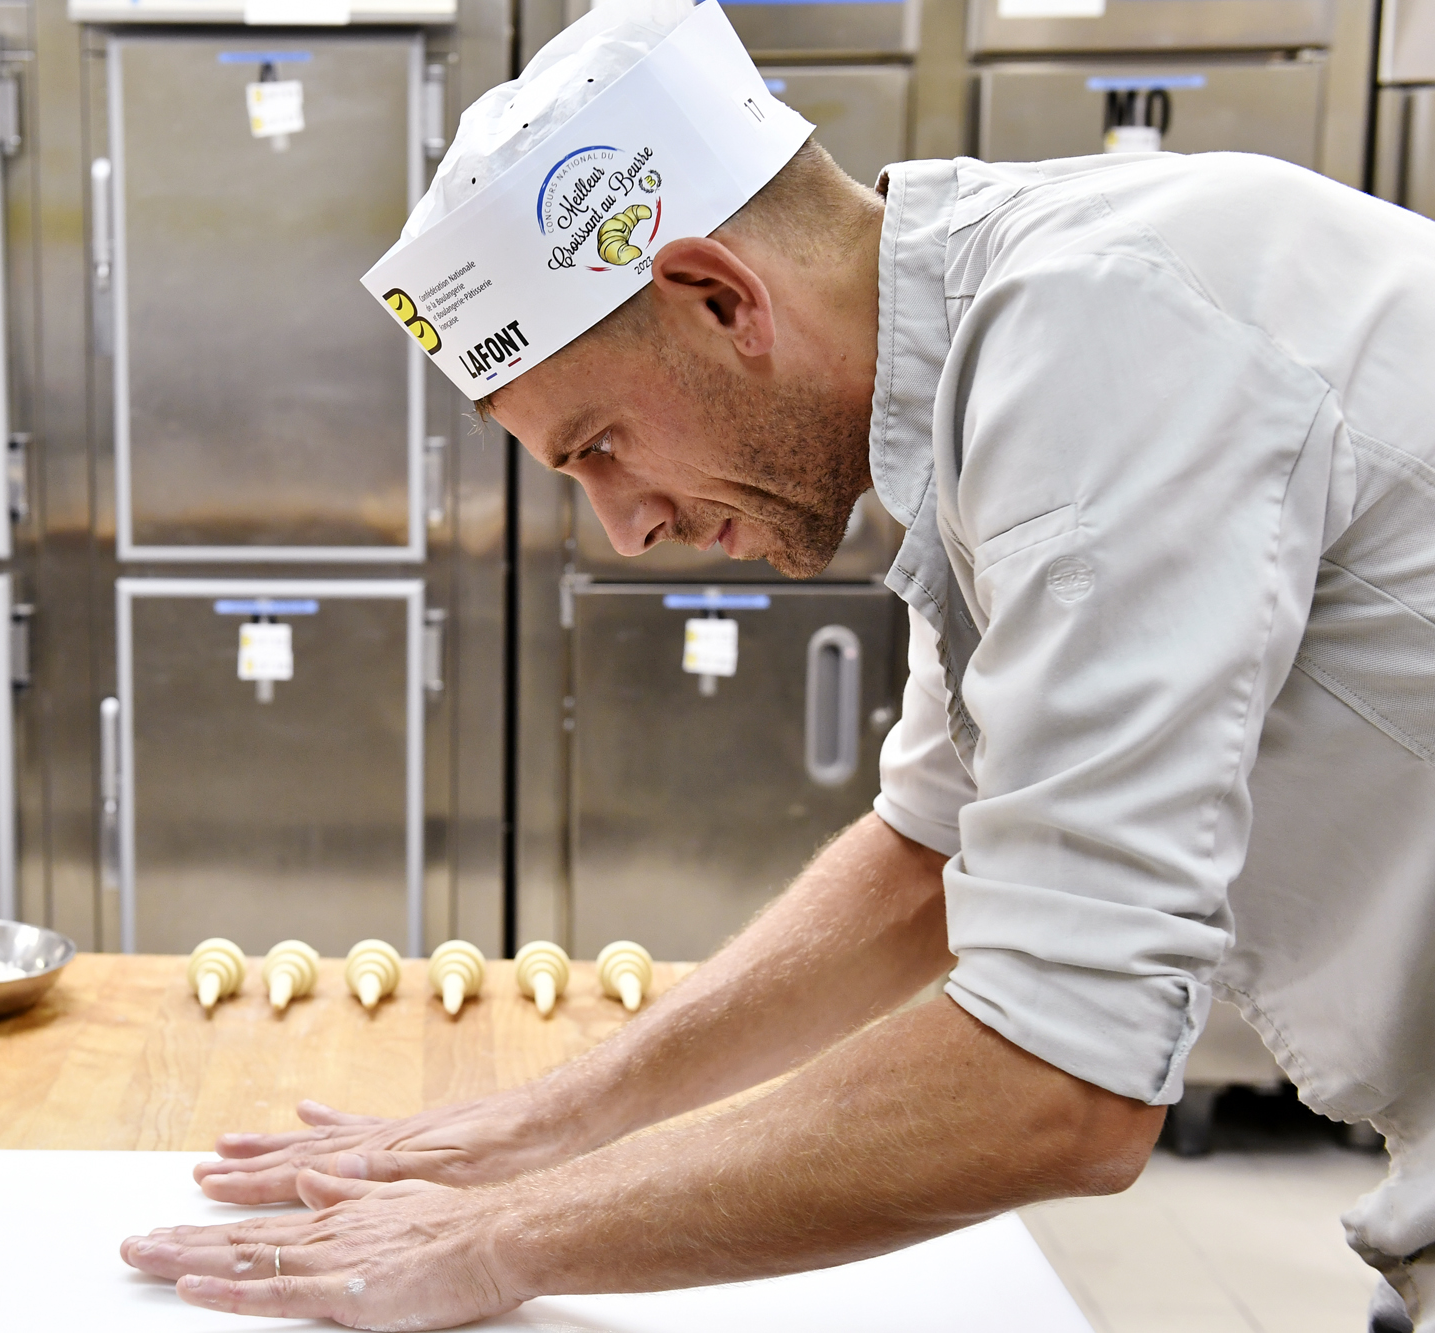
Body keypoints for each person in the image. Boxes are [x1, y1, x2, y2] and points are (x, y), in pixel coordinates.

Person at [121, 0, 1435, 1327]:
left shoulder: (1103, 338)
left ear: (717, 296)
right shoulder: (980, 369)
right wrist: (536, 1126)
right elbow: (929, 850)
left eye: (600, 446)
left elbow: (1065, 1080)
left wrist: (498, 1239)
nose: (625, 529)